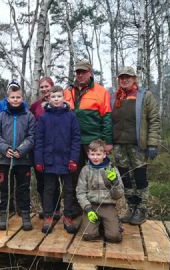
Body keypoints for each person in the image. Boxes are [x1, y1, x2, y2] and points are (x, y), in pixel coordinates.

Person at [111, 66, 161, 225]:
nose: (124, 80)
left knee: (140, 178)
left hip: (138, 146)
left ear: (134, 78)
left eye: (128, 77)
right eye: (122, 77)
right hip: (119, 145)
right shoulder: (115, 97)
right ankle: (131, 207)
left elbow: (154, 120)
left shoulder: (144, 96)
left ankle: (142, 208)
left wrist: (152, 144)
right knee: (125, 178)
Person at [64, 59, 113, 217]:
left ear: (90, 73)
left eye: (83, 72)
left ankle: (102, 208)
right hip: (74, 141)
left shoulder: (101, 92)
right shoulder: (67, 92)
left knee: (99, 174)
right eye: (78, 72)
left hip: (93, 140)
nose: (80, 75)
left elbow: (107, 117)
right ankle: (77, 208)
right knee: (74, 175)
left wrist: (107, 142)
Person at [34, 86, 80, 234]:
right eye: (53, 97)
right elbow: (39, 140)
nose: (56, 99)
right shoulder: (44, 117)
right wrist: (39, 161)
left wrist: (73, 159)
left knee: (68, 189)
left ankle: (67, 216)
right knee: (49, 189)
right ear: (49, 98)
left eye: (59, 96)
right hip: (49, 160)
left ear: (63, 98)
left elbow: (76, 139)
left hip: (67, 160)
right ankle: (49, 216)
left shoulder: (71, 116)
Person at [0, 80, 35, 231]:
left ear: (22, 98)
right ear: (8, 99)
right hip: (5, 160)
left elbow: (31, 136)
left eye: (18, 97)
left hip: (23, 160)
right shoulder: (1, 116)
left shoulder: (28, 116)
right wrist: (5, 148)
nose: (15, 100)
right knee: (5, 188)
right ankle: (3, 216)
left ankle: (25, 215)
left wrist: (21, 150)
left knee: (24, 188)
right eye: (13, 97)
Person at [76, 139, 124, 242]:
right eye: (92, 154)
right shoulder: (85, 170)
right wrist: (88, 209)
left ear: (104, 154)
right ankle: (99, 225)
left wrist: (114, 183)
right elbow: (80, 192)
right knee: (88, 235)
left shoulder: (112, 169)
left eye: (98, 154)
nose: (95, 157)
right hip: (91, 206)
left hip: (108, 205)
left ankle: (113, 223)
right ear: (88, 154)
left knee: (114, 237)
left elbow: (118, 195)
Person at [30, 77, 61, 220]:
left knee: (54, 180)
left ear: (52, 87)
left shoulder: (60, 104)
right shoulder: (35, 106)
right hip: (39, 147)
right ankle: (45, 208)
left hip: (56, 148)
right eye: (41, 87)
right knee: (41, 180)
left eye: (46, 86)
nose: (44, 89)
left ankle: (56, 209)